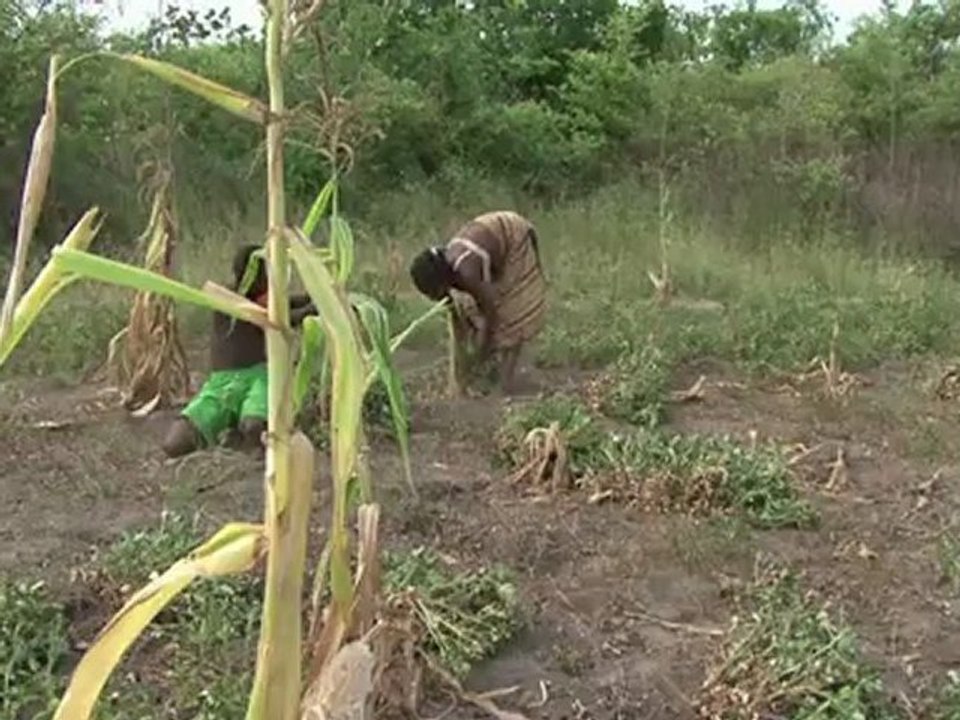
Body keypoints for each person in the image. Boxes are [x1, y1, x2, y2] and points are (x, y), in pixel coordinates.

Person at [161, 244, 316, 458]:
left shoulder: (264, 301)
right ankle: (230, 429)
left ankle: (242, 436)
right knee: (176, 443)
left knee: (254, 427)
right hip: (221, 385)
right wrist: (311, 309)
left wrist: (317, 298)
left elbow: (287, 306)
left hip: (260, 379)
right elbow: (280, 318)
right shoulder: (228, 300)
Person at [409, 210, 546, 394]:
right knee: (473, 314)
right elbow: (461, 313)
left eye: (434, 293)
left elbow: (491, 312)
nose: (435, 299)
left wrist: (482, 351)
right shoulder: (450, 271)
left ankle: (505, 383)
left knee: (511, 314)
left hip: (513, 234)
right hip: (494, 236)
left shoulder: (467, 272)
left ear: (440, 281)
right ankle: (492, 373)